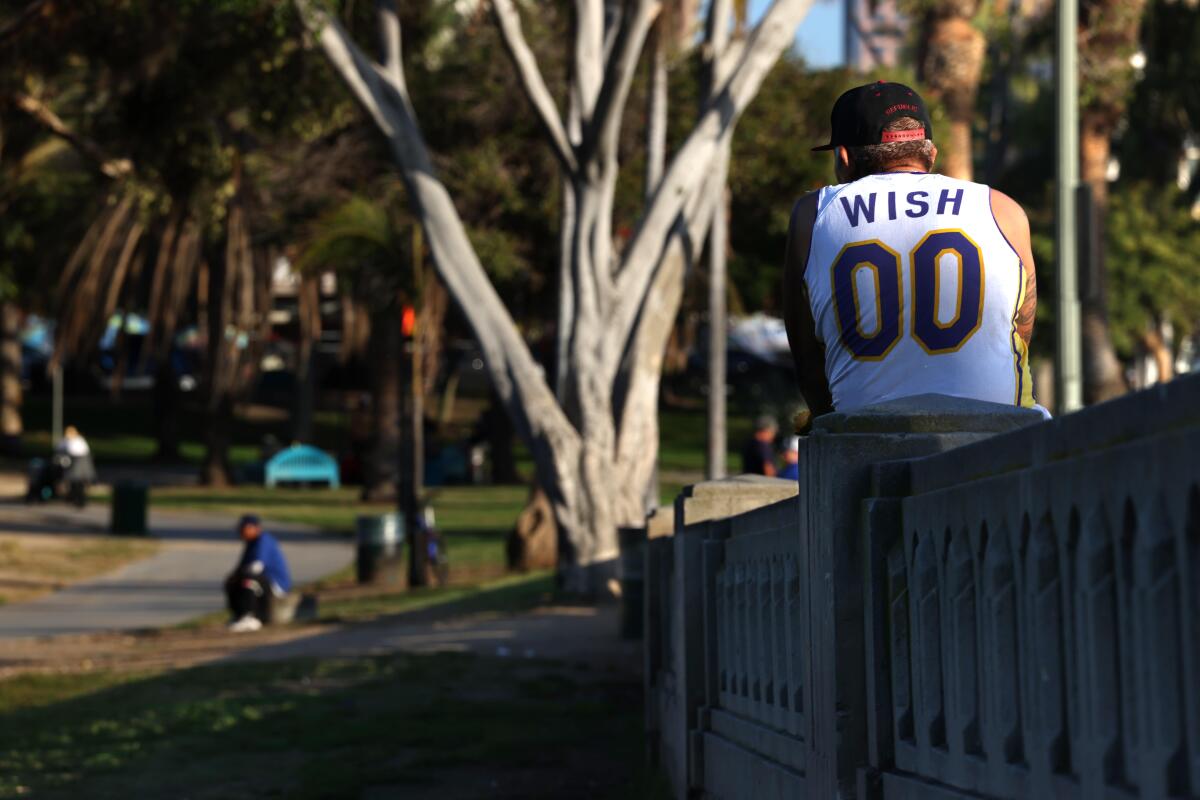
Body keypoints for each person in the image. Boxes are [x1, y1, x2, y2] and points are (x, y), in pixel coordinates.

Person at [782, 81, 1044, 422]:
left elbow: (808, 361)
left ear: (843, 158)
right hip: (995, 435)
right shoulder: (1003, 209)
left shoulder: (810, 216)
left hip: (864, 437)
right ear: (930, 154)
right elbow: (1020, 332)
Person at [224, 514, 292, 633]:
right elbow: (241, 568)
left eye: (243, 528)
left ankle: (251, 617)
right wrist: (233, 577)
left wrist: (240, 575)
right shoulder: (250, 543)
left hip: (276, 584)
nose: (240, 531)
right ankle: (239, 615)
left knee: (249, 580)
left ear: (254, 528)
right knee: (232, 581)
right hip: (263, 582)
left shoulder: (264, 540)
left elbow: (257, 567)